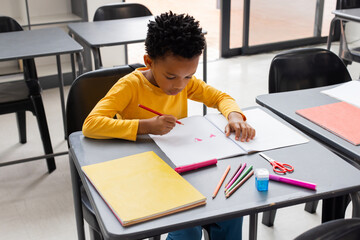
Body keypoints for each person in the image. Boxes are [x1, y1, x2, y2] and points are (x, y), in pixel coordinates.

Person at [83, 11, 255, 240]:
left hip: (181, 165)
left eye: (189, 76)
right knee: (187, 225)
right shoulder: (129, 86)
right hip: (143, 172)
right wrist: (145, 126)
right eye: (171, 76)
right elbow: (90, 125)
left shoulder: (185, 83)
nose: (180, 86)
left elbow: (221, 97)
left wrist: (234, 116)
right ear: (149, 62)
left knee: (232, 210)